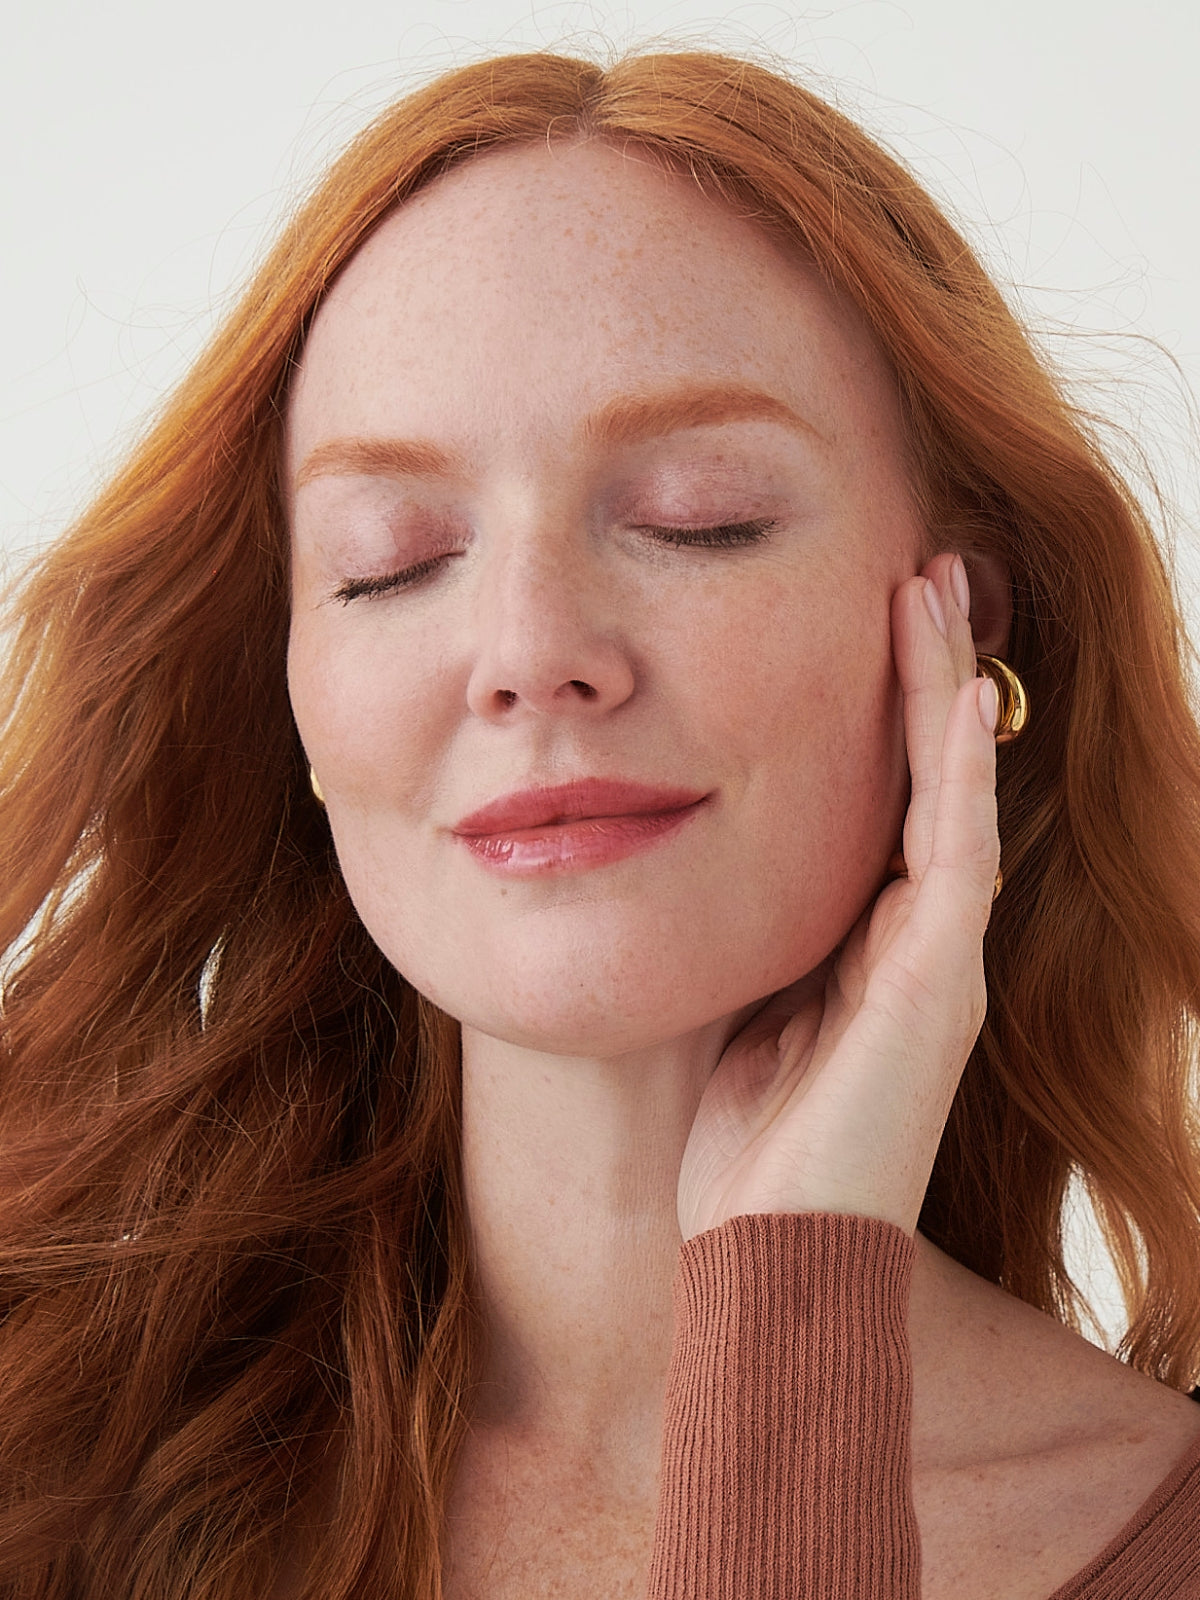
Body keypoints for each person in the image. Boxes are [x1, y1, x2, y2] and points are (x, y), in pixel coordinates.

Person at [1, 44, 1199, 1600]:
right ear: (289, 696)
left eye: (700, 519)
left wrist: (793, 1306)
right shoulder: (43, 1465)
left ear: (959, 628)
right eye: (389, 559)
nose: (528, 649)